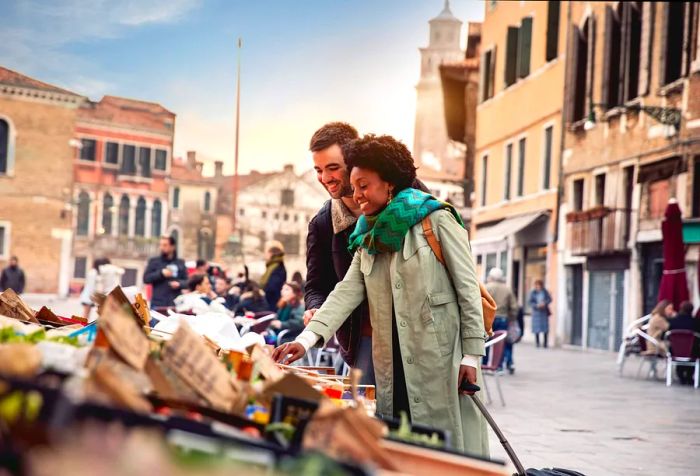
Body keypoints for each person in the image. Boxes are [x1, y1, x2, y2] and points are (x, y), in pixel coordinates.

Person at [274, 134, 489, 456]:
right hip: (390, 360)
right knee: (400, 444)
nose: (356, 195)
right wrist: (304, 341)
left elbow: (468, 290)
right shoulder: (367, 238)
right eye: (354, 186)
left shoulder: (437, 219)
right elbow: (345, 292)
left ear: (389, 184)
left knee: (445, 448)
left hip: (441, 360)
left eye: (364, 186)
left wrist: (471, 355)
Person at [304, 122, 430, 385]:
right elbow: (317, 285)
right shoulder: (323, 223)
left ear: (353, 159)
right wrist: (314, 308)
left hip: (421, 331)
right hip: (366, 337)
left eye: (333, 167)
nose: (325, 178)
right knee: (369, 414)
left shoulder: (411, 194)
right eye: (318, 170)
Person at [484, 267, 518, 373]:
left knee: (487, 342)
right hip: (503, 318)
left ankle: (485, 365)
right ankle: (498, 367)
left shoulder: (486, 287)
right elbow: (514, 307)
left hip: (489, 318)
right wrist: (512, 318)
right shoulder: (507, 289)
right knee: (500, 343)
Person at [143, 235, 188, 310]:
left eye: (165, 245)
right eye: (161, 245)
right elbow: (146, 279)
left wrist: (179, 284)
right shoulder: (154, 261)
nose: (162, 248)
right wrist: (161, 274)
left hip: (175, 304)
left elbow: (187, 282)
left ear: (172, 247)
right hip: (158, 305)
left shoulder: (180, 262)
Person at [668, 301, 700, 385]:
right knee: (694, 348)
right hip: (692, 351)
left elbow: (668, 335)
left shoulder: (673, 321)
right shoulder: (695, 322)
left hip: (675, 351)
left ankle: (681, 375)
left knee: (679, 348)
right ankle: (690, 376)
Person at [260, 240, 287, 311]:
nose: (265, 254)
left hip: (272, 303)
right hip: (270, 301)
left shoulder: (277, 266)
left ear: (271, 253)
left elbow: (272, 287)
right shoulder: (273, 266)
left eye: (266, 252)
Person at [528, 279, 552, 348]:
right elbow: (530, 302)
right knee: (536, 328)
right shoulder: (533, 292)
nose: (538, 287)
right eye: (537, 285)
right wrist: (536, 305)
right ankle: (537, 343)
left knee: (545, 328)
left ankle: (545, 343)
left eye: (539, 285)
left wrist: (544, 303)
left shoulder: (545, 292)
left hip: (544, 312)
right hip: (536, 312)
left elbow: (549, 299)